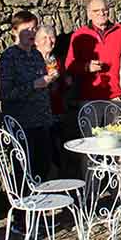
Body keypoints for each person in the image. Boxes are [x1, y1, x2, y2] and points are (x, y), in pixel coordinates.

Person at [0, 11, 60, 181]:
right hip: (22, 124)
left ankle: (43, 206)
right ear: (14, 31)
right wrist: (34, 85)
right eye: (26, 29)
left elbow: (43, 87)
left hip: (42, 121)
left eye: (34, 29)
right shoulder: (9, 57)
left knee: (43, 168)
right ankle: (24, 207)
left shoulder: (36, 55)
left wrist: (49, 81)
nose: (31, 33)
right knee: (24, 173)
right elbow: (6, 93)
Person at [65, 0, 121, 112]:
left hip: (116, 95)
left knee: (118, 130)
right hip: (89, 98)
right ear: (89, 14)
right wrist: (86, 67)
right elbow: (69, 65)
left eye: (104, 9)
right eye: (96, 11)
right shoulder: (80, 35)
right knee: (89, 131)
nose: (101, 13)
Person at [35, 24, 72, 174]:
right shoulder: (31, 61)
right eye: (44, 38)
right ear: (36, 41)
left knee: (58, 153)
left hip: (56, 112)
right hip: (38, 115)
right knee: (42, 154)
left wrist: (66, 81)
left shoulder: (55, 60)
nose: (49, 41)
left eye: (52, 37)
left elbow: (63, 87)